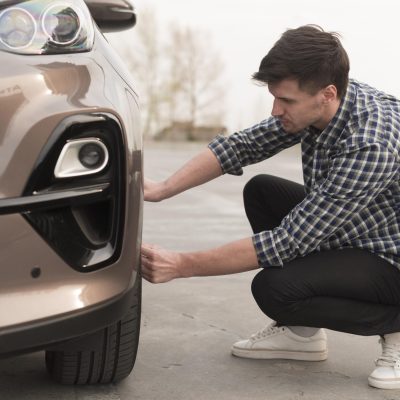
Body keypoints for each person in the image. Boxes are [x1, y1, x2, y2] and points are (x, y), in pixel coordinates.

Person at [141, 25, 400, 390]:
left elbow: (285, 242)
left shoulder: (370, 144)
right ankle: (302, 335)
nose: (276, 109)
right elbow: (242, 146)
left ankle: (395, 326)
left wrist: (181, 265)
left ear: (326, 94)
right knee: (262, 191)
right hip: (362, 231)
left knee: (274, 289)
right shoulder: (329, 99)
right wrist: (162, 189)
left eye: (286, 101)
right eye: (275, 97)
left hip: (392, 259)